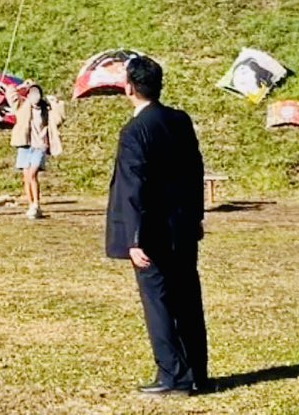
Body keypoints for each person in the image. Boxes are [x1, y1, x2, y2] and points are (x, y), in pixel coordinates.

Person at [106, 55, 208, 397]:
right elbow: (195, 171)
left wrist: (134, 239)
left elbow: (132, 186)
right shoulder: (180, 120)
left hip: (152, 231)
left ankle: (173, 374)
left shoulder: (135, 131)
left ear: (129, 88)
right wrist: (196, 217)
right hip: (182, 226)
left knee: (158, 301)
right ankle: (197, 371)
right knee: (187, 298)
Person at [6, 81, 65, 220]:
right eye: (32, 93)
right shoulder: (22, 106)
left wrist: (56, 103)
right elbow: (10, 95)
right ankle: (31, 205)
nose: (35, 96)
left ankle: (37, 204)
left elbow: (60, 119)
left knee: (32, 174)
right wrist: (21, 86)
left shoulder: (46, 110)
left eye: (37, 93)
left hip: (39, 146)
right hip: (24, 145)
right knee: (26, 177)